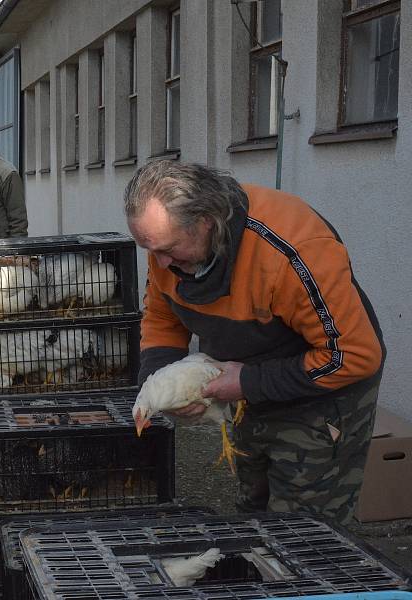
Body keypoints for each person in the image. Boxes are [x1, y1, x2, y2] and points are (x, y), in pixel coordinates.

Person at [124, 160, 385, 525]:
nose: (161, 262)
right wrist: (159, 383)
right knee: (254, 510)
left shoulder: (293, 250)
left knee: (303, 527)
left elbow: (355, 355)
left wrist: (247, 382)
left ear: (206, 222)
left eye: (168, 249)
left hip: (320, 391)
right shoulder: (166, 254)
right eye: (149, 249)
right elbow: (163, 319)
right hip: (243, 387)